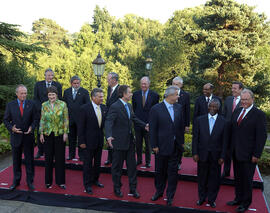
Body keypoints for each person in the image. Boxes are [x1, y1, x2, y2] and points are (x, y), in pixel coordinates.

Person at [227, 89, 267, 212]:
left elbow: (261, 136)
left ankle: (245, 203)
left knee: (247, 180)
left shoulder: (259, 114)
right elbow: (232, 131)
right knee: (238, 178)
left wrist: (256, 154)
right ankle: (238, 198)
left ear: (252, 99)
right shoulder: (237, 111)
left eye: (246, 100)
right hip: (236, 152)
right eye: (242, 99)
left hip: (249, 155)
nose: (243, 102)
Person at [105, 85, 148, 198]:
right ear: (123, 94)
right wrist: (108, 136)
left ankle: (133, 189)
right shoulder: (115, 106)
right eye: (129, 92)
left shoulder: (129, 105)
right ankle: (117, 188)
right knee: (117, 168)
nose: (131, 94)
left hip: (129, 142)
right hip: (118, 142)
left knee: (132, 168)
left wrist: (145, 126)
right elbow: (109, 121)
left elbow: (133, 118)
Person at [149, 85, 185, 206]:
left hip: (175, 147)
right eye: (176, 94)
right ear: (169, 96)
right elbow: (153, 129)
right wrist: (154, 145)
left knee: (173, 173)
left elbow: (180, 127)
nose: (178, 96)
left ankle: (170, 196)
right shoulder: (156, 109)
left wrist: (182, 142)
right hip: (161, 147)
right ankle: (159, 192)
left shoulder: (179, 108)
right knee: (160, 172)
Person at [192, 99, 227, 208]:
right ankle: (201, 198)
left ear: (218, 108)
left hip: (216, 157)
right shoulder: (199, 120)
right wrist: (195, 153)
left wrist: (222, 156)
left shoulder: (224, 122)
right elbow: (195, 138)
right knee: (202, 178)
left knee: (214, 179)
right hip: (202, 155)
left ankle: (211, 199)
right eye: (210, 106)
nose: (212, 108)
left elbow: (225, 141)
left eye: (215, 107)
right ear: (208, 107)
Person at [3, 85, 38, 191]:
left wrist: (31, 128)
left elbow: (36, 119)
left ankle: (30, 181)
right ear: (17, 93)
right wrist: (12, 129)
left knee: (29, 160)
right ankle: (16, 181)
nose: (24, 95)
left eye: (25, 93)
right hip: (16, 137)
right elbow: (5, 120)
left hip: (28, 136)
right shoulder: (10, 105)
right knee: (16, 160)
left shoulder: (32, 104)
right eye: (22, 93)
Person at [78, 88, 107, 195]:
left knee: (98, 163)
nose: (102, 98)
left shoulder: (104, 108)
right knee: (88, 164)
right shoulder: (84, 108)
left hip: (99, 141)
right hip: (87, 142)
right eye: (100, 97)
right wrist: (81, 141)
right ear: (93, 97)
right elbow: (80, 127)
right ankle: (87, 184)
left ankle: (95, 180)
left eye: (103, 96)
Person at [39, 86, 69, 189]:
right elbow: (42, 119)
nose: (51, 96)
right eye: (49, 95)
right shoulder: (44, 105)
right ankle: (48, 182)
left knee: (60, 159)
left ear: (57, 95)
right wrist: (41, 133)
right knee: (48, 159)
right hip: (47, 134)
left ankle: (60, 182)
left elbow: (66, 120)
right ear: (47, 95)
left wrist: (66, 133)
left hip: (59, 134)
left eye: (53, 94)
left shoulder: (62, 104)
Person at [34, 68, 62, 159]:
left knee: (52, 132)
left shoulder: (58, 85)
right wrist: (42, 109)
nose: (50, 77)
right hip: (41, 113)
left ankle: (52, 152)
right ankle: (40, 151)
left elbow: (60, 98)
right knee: (40, 132)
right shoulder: (38, 85)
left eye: (52, 75)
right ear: (45, 76)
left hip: (54, 114)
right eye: (48, 75)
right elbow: (36, 99)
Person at [132, 76, 159, 168]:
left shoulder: (155, 95)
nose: (143, 85)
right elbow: (134, 110)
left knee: (148, 144)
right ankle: (139, 160)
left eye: (145, 83)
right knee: (138, 144)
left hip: (149, 124)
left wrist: (151, 123)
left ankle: (148, 161)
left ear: (149, 84)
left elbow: (155, 111)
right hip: (138, 124)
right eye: (142, 83)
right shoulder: (135, 94)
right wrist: (137, 122)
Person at [63, 75, 90, 161]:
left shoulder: (84, 92)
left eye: (78, 83)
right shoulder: (66, 92)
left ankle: (81, 155)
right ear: (71, 83)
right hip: (70, 119)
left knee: (81, 137)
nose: (76, 85)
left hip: (81, 119)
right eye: (74, 83)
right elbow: (64, 104)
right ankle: (71, 155)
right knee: (71, 138)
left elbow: (87, 105)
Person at [222, 82, 243, 178]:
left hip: (239, 132)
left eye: (235, 88)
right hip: (227, 131)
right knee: (226, 152)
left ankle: (238, 174)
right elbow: (223, 114)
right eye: (232, 88)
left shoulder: (245, 101)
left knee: (237, 153)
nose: (232, 90)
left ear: (241, 89)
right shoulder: (228, 99)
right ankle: (226, 172)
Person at [172, 76, 191, 170]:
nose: (175, 86)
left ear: (181, 85)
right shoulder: (168, 94)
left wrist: (187, 125)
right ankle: (172, 161)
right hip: (170, 124)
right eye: (173, 84)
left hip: (181, 124)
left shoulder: (185, 95)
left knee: (179, 143)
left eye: (177, 84)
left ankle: (179, 161)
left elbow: (187, 111)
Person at [104, 72, 120, 166]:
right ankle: (109, 158)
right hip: (109, 118)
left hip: (117, 118)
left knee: (115, 139)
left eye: (109, 79)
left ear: (114, 80)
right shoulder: (109, 88)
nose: (107, 80)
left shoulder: (120, 89)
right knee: (108, 137)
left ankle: (115, 159)